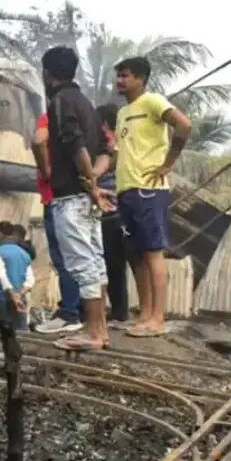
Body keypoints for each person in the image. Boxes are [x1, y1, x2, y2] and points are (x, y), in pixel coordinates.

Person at [33, 46, 113, 351]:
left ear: (47, 74)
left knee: (81, 264)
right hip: (85, 197)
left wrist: (88, 180)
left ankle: (92, 332)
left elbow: (73, 142)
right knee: (95, 261)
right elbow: (109, 150)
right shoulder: (87, 104)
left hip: (70, 198)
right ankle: (100, 330)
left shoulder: (60, 102)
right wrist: (94, 177)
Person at [114, 56, 192, 337]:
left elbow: (184, 125)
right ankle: (145, 314)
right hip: (126, 189)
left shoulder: (153, 101)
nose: (120, 81)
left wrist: (168, 163)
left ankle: (158, 318)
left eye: (125, 75)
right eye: (118, 76)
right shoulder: (123, 113)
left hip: (149, 188)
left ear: (140, 78)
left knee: (153, 252)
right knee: (136, 255)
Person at [32, 110, 84, 335]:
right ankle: (81, 310)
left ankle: (70, 313)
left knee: (64, 258)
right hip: (80, 197)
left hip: (57, 198)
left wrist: (46, 171)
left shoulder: (53, 116)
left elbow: (38, 140)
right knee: (82, 257)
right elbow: (111, 148)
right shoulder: (88, 116)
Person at [96, 104, 131, 325]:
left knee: (112, 263)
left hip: (111, 209)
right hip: (120, 209)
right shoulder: (125, 141)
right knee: (116, 264)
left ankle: (119, 311)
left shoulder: (111, 144)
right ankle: (119, 310)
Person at [0, 221, 35, 329]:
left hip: (3, 296)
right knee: (21, 328)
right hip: (20, 295)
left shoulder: (0, 251)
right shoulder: (24, 253)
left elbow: (3, 275)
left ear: (0, 234)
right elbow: (31, 279)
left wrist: (12, 294)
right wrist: (19, 294)